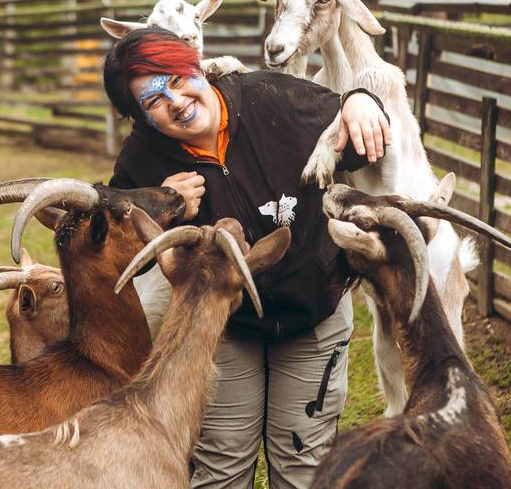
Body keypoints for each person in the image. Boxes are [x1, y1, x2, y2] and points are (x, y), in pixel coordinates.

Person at [104, 27, 390, 489]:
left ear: (196, 67)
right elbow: (115, 232)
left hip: (313, 311)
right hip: (223, 326)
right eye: (153, 101)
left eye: (176, 79)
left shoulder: (273, 99)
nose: (175, 101)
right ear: (140, 118)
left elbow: (359, 133)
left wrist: (361, 100)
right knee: (221, 465)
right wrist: (158, 202)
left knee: (303, 462)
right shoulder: (144, 158)